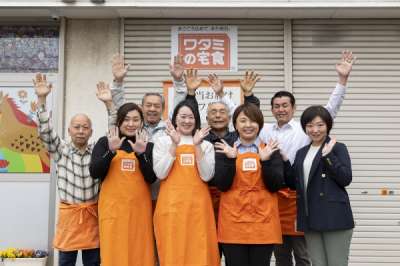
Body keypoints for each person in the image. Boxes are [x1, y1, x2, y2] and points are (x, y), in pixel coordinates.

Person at [259, 50, 355, 266]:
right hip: (284, 199)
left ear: (293, 107)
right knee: (285, 256)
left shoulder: (310, 133)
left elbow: (329, 110)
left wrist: (342, 80)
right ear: (272, 109)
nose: (281, 109)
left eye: (285, 105)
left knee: (306, 257)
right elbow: (245, 123)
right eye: (276, 106)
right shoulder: (265, 131)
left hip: (311, 202)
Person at [34, 73, 100, 266]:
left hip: (92, 215)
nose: (81, 131)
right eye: (76, 127)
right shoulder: (61, 149)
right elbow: (45, 131)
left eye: (85, 127)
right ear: (69, 130)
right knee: (65, 262)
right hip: (69, 216)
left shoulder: (97, 150)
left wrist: (109, 104)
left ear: (91, 131)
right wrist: (42, 99)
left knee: (93, 262)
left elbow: (114, 131)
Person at [214, 103, 286, 266]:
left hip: (263, 224)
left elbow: (275, 185)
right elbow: (222, 185)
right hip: (233, 224)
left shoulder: (271, 149)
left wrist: (266, 161)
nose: (248, 125)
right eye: (243, 121)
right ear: (235, 125)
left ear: (259, 124)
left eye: (253, 121)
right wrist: (230, 160)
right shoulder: (225, 150)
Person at [283, 105, 354, 266]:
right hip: (310, 218)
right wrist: (285, 161)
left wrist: (328, 156)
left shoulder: (337, 148)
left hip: (334, 217)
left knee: (336, 263)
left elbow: (345, 178)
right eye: (309, 125)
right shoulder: (302, 152)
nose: (315, 130)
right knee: (317, 263)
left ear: (328, 125)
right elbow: (294, 184)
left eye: (320, 125)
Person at [152, 101, 220, 266]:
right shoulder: (163, 142)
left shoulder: (206, 144)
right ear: (175, 119)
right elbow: (160, 173)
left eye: (191, 117)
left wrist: (197, 146)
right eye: (183, 116)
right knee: (172, 251)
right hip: (171, 208)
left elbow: (206, 176)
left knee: (199, 251)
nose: (187, 121)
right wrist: (174, 145)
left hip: (199, 210)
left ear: (196, 120)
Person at [89, 103, 157, 266]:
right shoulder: (105, 142)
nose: (131, 124)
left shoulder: (148, 146)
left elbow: (151, 178)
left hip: (139, 213)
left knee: (139, 253)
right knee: (114, 254)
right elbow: (95, 172)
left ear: (142, 123)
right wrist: (111, 151)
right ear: (119, 122)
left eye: (136, 120)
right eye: (126, 119)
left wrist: (141, 154)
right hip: (113, 212)